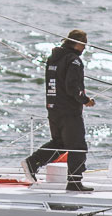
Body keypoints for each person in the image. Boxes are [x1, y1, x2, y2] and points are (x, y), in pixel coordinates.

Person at [22, 29, 96, 192]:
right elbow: (72, 87)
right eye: (84, 44)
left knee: (60, 143)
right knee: (78, 146)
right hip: (68, 111)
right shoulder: (74, 60)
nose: (85, 48)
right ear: (78, 43)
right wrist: (85, 100)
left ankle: (32, 163)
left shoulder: (54, 58)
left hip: (53, 108)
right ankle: (74, 183)